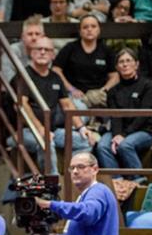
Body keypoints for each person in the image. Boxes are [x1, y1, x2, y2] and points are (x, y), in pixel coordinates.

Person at [10, 36, 91, 173]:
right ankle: (52, 186)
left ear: (53, 55)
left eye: (47, 50)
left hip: (52, 130)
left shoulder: (55, 77)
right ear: (31, 52)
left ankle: (74, 176)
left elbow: (67, 105)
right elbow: (22, 106)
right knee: (46, 142)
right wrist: (41, 129)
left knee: (85, 141)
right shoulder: (23, 75)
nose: (42, 52)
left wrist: (81, 127)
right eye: (39, 49)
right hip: (26, 131)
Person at [96, 48, 152, 187]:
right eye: (121, 62)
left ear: (136, 64)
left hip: (144, 130)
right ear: (116, 67)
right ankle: (117, 181)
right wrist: (117, 135)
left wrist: (123, 135)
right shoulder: (113, 91)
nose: (125, 64)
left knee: (125, 145)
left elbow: (145, 114)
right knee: (102, 145)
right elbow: (115, 116)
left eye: (128, 61)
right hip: (120, 130)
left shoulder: (147, 85)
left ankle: (138, 180)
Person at [52, 14, 118, 109]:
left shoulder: (106, 50)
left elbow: (115, 76)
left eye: (93, 26)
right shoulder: (70, 48)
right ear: (80, 31)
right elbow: (56, 69)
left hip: (100, 95)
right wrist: (71, 89)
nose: (89, 29)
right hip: (76, 96)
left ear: (99, 30)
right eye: (85, 27)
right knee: (80, 110)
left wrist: (104, 90)